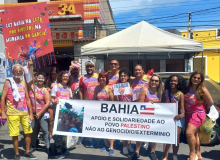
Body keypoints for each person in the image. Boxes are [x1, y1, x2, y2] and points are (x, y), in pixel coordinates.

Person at [0, 64, 37, 160]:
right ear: (12, 72)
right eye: (16, 70)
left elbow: (28, 99)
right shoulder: (8, 82)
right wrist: (3, 112)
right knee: (15, 134)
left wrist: (30, 113)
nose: (18, 72)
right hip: (12, 112)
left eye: (20, 71)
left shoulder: (23, 83)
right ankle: (16, 153)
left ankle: (27, 151)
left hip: (24, 112)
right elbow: (3, 97)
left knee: (28, 132)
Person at [132, 74, 163, 160]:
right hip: (145, 116)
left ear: (159, 82)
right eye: (152, 80)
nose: (154, 82)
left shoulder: (161, 92)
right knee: (141, 134)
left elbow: (164, 105)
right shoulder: (145, 90)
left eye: (156, 81)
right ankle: (137, 151)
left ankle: (152, 152)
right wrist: (148, 105)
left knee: (154, 135)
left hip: (156, 117)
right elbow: (140, 104)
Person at [185, 71, 213, 160]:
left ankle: (192, 154)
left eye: (198, 78)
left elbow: (210, 102)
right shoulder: (187, 88)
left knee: (189, 133)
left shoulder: (203, 90)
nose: (196, 79)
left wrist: (203, 108)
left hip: (198, 114)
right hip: (188, 114)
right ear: (191, 78)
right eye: (194, 77)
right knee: (195, 134)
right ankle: (198, 153)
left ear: (201, 80)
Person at [163, 75, 187, 160]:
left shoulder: (180, 94)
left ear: (178, 83)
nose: (173, 82)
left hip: (178, 117)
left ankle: (174, 155)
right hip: (168, 117)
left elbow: (182, 109)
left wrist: (181, 114)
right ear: (169, 82)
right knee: (167, 137)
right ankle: (165, 156)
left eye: (175, 81)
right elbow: (162, 104)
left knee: (176, 137)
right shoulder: (165, 91)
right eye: (171, 81)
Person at [51, 71, 73, 159]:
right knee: (58, 131)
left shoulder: (69, 88)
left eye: (67, 77)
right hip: (58, 113)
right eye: (64, 76)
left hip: (66, 114)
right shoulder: (56, 87)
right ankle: (57, 151)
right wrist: (55, 101)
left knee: (65, 131)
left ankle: (64, 148)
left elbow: (70, 100)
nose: (65, 78)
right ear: (60, 77)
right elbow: (51, 99)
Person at [28, 72, 50, 155]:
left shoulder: (45, 90)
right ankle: (33, 145)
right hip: (32, 113)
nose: (40, 80)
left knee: (45, 130)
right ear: (36, 78)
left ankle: (47, 146)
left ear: (44, 80)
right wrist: (33, 78)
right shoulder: (32, 88)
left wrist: (40, 113)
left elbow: (47, 103)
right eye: (39, 78)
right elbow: (28, 83)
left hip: (42, 113)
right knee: (32, 130)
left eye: (42, 78)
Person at [79, 60, 99, 148]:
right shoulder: (82, 78)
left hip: (97, 103)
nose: (89, 68)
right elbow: (80, 90)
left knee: (96, 121)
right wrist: (81, 101)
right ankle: (87, 138)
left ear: (94, 68)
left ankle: (96, 139)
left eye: (91, 66)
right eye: (88, 67)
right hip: (87, 103)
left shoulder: (98, 76)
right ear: (86, 68)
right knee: (86, 121)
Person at [93, 71, 114, 155]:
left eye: (103, 77)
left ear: (106, 79)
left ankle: (111, 147)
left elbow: (112, 101)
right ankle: (106, 144)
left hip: (108, 112)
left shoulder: (109, 88)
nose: (101, 79)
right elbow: (94, 99)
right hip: (99, 112)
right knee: (103, 129)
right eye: (100, 77)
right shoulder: (96, 88)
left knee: (109, 129)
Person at [114, 68, 134, 155]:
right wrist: (116, 93)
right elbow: (116, 100)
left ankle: (129, 144)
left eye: (124, 75)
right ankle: (124, 146)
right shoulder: (117, 86)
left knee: (129, 129)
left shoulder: (131, 85)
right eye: (121, 75)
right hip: (122, 110)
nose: (123, 77)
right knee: (123, 129)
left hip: (131, 110)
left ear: (128, 77)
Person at [46, 67, 59, 140]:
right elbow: (46, 90)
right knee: (50, 119)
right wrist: (49, 89)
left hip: (58, 101)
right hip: (51, 101)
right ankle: (50, 134)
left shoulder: (59, 81)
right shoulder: (49, 81)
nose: (53, 75)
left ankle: (56, 133)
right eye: (52, 74)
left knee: (57, 119)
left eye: (55, 74)